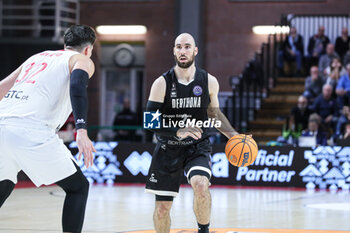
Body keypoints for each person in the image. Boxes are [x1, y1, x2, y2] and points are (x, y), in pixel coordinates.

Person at [0, 25, 96, 233]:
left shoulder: (36, 57)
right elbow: (78, 87)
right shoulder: (81, 60)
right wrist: (81, 130)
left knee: (4, 182)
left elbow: (1, 88)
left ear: (65, 44)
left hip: (1, 124)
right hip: (31, 130)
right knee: (78, 188)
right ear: (88, 49)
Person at [145, 33, 241, 233]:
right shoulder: (162, 83)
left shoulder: (209, 81)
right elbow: (149, 121)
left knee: (200, 186)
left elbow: (214, 114)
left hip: (197, 146)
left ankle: (203, 230)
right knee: (163, 209)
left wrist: (233, 136)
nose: (183, 51)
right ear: (173, 51)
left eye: (187, 46)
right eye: (178, 47)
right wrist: (178, 131)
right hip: (167, 148)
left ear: (195, 51)